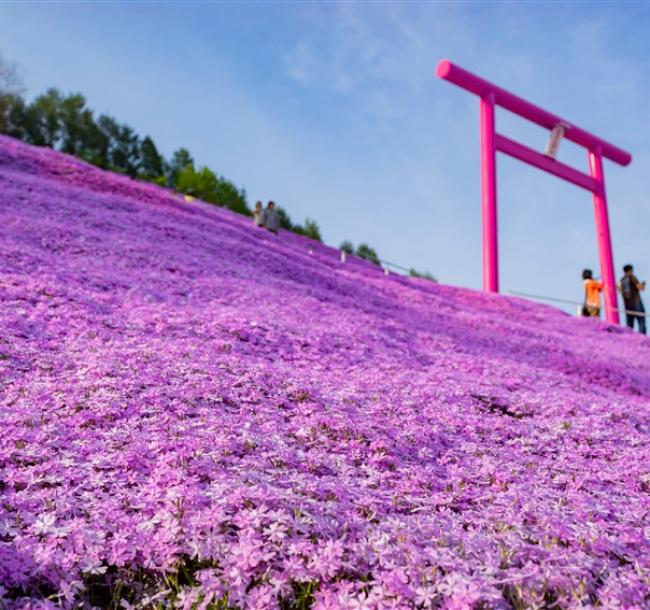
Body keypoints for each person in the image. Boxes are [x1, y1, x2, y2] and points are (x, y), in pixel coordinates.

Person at [619, 264, 646, 334]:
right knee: (641, 322)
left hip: (627, 306)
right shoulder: (632, 278)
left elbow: (619, 290)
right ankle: (642, 338)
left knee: (630, 325)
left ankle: (630, 339)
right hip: (637, 304)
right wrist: (643, 284)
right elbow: (640, 287)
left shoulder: (621, 280)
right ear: (630, 270)